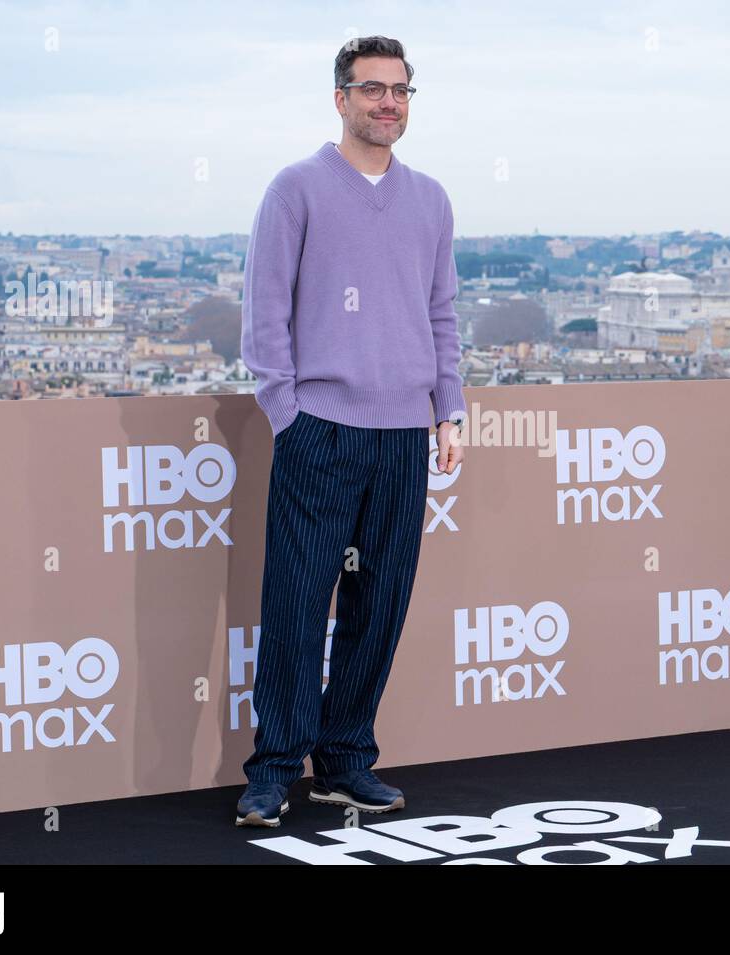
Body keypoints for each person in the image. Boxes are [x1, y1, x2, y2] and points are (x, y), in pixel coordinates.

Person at [235, 35, 467, 827]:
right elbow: (265, 311)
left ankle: (343, 761)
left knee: (381, 603)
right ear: (340, 98)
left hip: (405, 435)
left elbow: (441, 313)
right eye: (373, 89)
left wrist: (450, 405)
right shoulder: (296, 189)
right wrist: (286, 416)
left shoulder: (431, 199)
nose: (389, 103)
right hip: (320, 430)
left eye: (401, 91)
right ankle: (272, 769)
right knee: (298, 602)